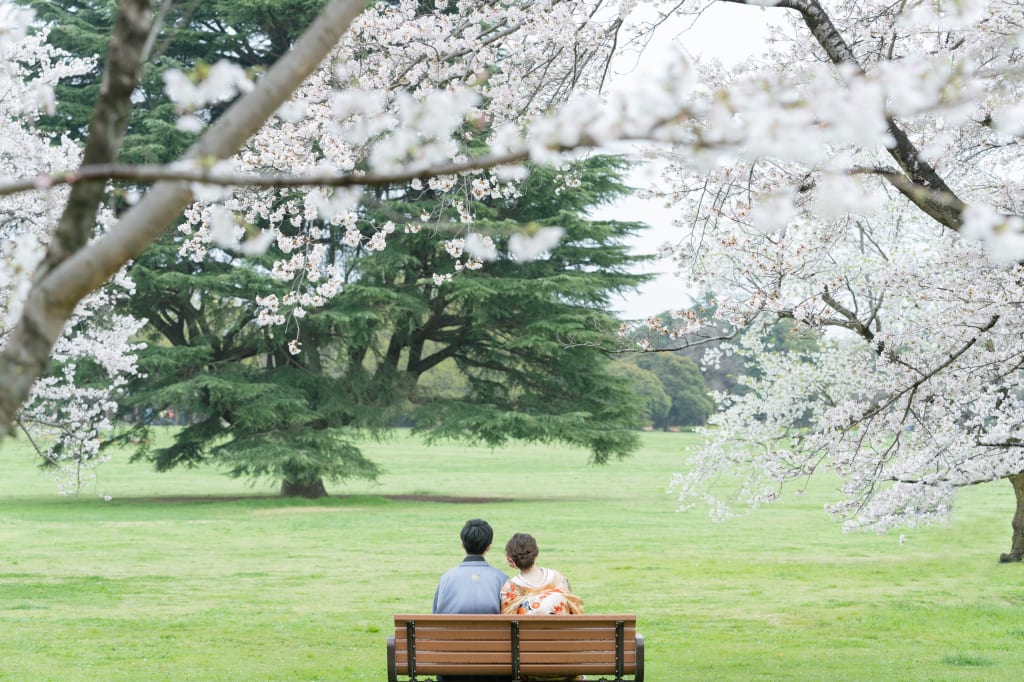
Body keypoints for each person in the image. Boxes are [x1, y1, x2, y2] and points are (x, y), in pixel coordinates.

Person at [433, 518, 508, 615]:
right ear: (488, 547)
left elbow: (436, 614)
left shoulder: (446, 578)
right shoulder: (501, 579)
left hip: (453, 630)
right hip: (489, 630)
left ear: (462, 545)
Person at [500, 533, 583, 616]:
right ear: (536, 555)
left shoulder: (510, 589)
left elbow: (507, 620)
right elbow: (575, 609)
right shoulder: (558, 579)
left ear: (511, 559)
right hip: (559, 628)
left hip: (528, 629)